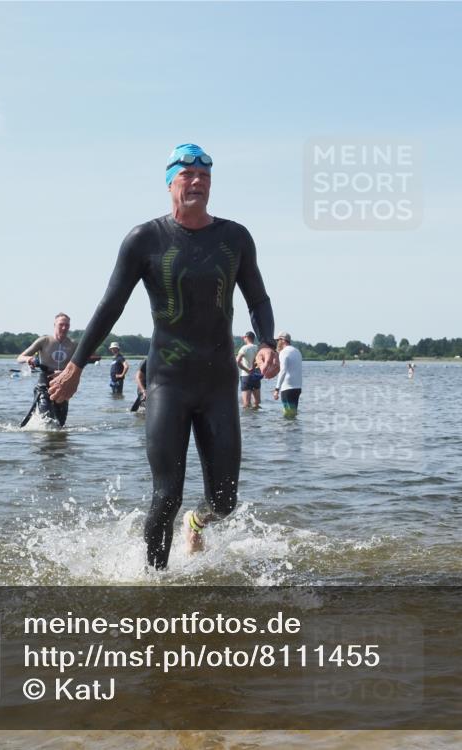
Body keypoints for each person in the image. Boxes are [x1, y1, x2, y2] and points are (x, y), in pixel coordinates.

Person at [49, 143, 279, 570]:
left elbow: (258, 298)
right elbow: (110, 305)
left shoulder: (235, 237)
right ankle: (156, 584)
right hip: (168, 381)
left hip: (218, 382)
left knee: (225, 500)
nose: (197, 183)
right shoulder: (145, 239)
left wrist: (266, 343)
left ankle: (197, 522)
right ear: (170, 183)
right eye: (187, 177)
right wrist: (76, 365)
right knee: (166, 492)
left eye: (204, 178)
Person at [17, 313, 76, 427]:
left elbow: (80, 363)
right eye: (61, 325)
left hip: (62, 382)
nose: (64, 328)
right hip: (45, 381)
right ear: (54, 325)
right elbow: (20, 358)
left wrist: (65, 373)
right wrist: (29, 359)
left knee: (60, 424)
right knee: (47, 417)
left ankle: (57, 443)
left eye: (67, 325)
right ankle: (44, 441)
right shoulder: (44, 341)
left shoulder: (73, 344)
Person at [272, 332, 302, 417]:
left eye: (278, 340)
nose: (277, 343)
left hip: (287, 388)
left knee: (288, 415)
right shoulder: (297, 351)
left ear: (283, 340)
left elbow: (283, 371)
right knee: (293, 414)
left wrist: (277, 389)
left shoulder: (284, 352)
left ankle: (288, 430)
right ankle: (295, 430)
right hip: (297, 388)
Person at [236, 331, 263, 408]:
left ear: (246, 338)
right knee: (257, 403)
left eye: (244, 337)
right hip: (256, 376)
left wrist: (247, 369)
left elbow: (237, 361)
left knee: (246, 404)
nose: (243, 339)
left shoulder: (244, 348)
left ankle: (248, 419)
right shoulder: (258, 348)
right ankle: (255, 419)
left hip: (246, 376)